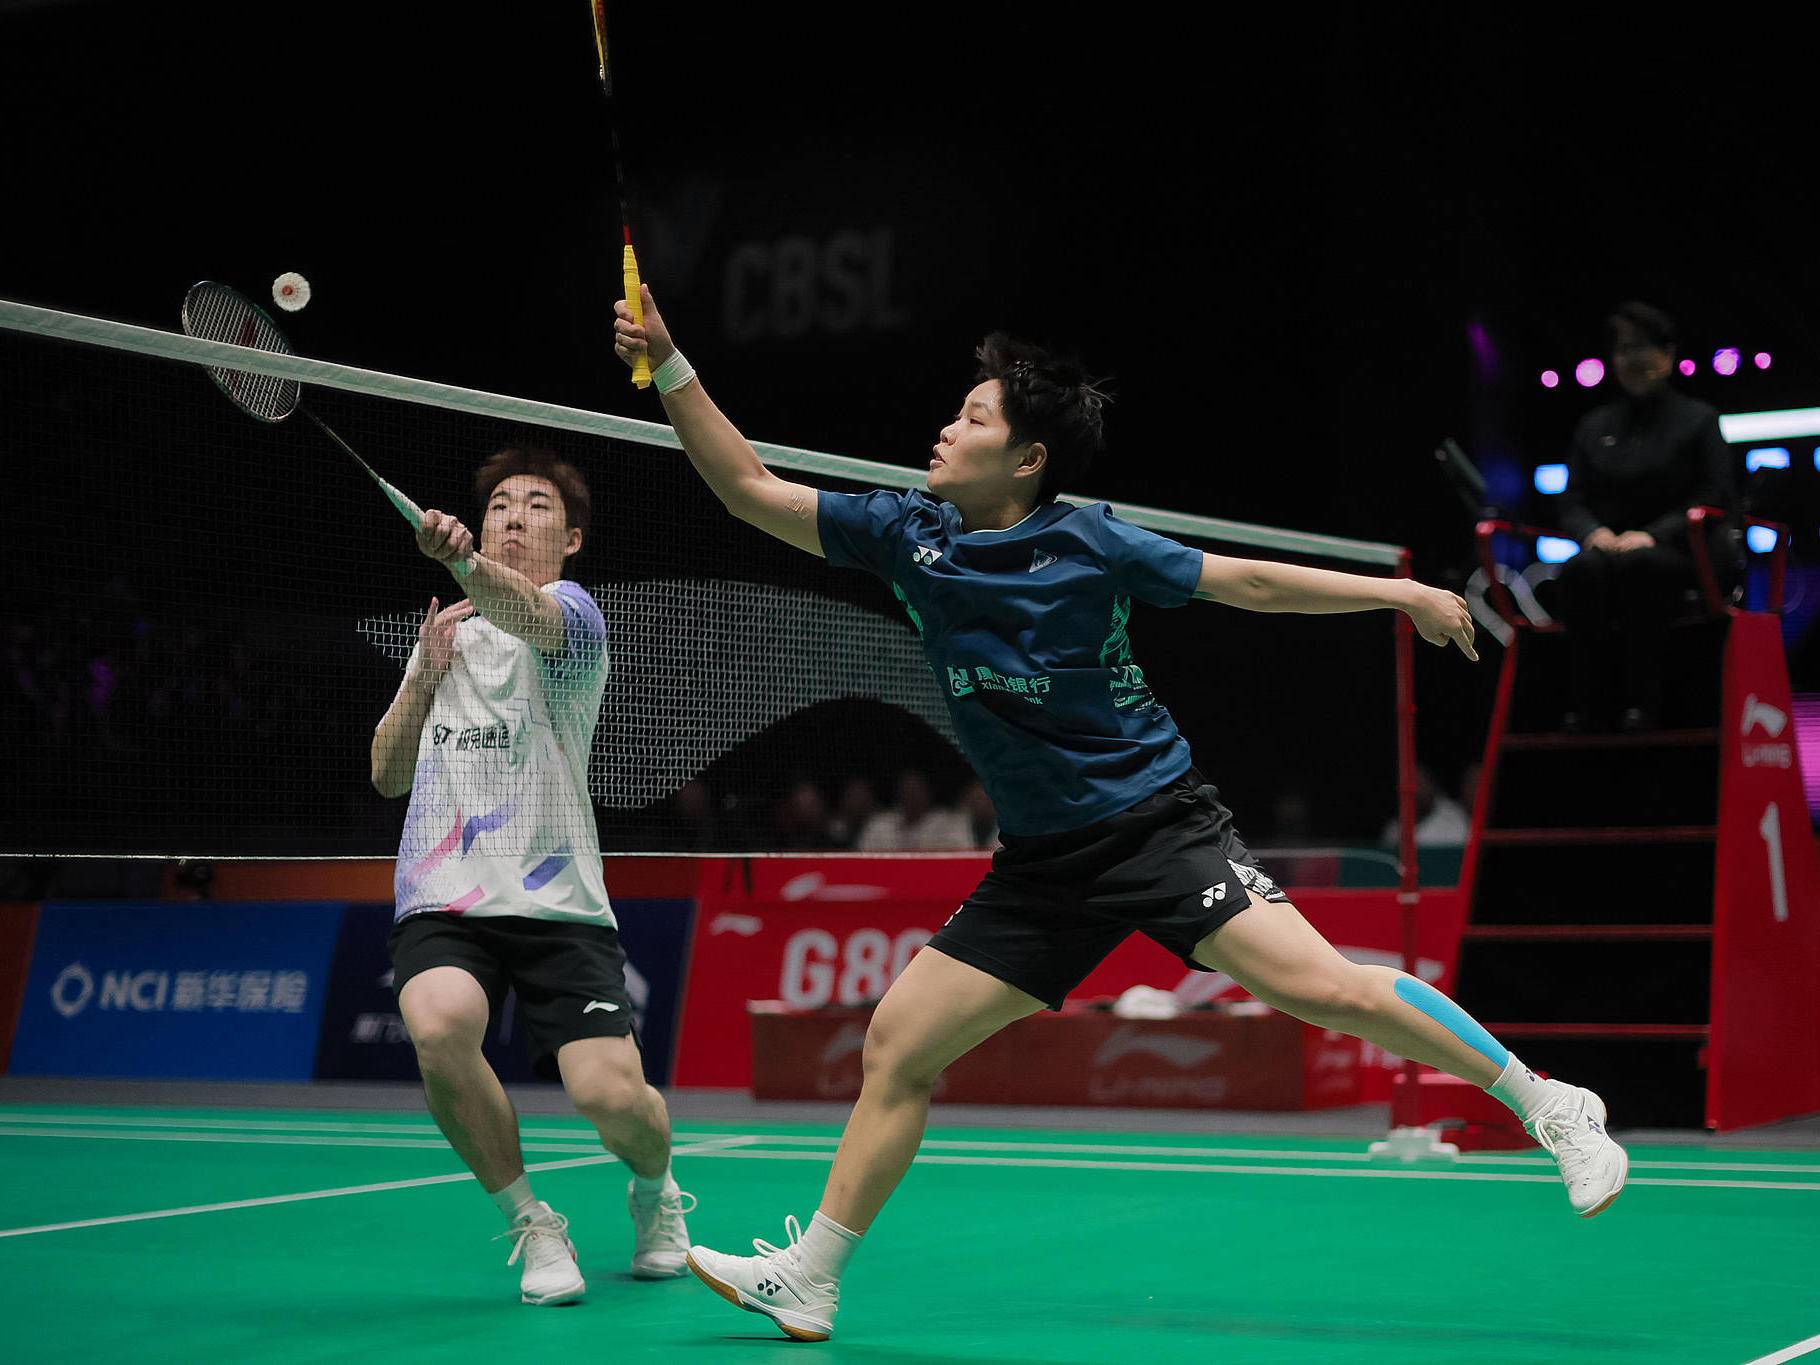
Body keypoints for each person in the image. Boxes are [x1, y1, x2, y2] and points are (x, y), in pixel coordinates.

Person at [614, 292, 1626, 1342]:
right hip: (1040, 865)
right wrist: (672, 363)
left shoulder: (1088, 540)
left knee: (1321, 987)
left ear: (1027, 460)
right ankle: (812, 1277)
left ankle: (1547, 1102)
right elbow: (747, 489)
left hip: (1154, 828)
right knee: (899, 1045)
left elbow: (1249, 585)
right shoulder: (905, 534)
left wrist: (1397, 596)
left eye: (972, 417)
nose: (945, 429)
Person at [370, 447, 692, 1305]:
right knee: (440, 1025)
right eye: (500, 505)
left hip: (558, 901)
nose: (514, 516)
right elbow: (387, 773)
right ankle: (531, 1219)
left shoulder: (575, 618)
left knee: (612, 1097)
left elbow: (531, 615)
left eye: (537, 505)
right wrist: (422, 677)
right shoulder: (442, 635)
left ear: (572, 537)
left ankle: (655, 1188)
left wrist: (465, 564)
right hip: (444, 893)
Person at [1554, 301, 1738, 732]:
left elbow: (1716, 494)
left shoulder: (1699, 419)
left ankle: (1643, 704)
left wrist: (1654, 534)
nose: (1632, 359)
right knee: (1580, 571)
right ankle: (1587, 705)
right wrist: (1593, 532)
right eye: (1623, 350)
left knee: (1641, 567)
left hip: (1680, 553)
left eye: (1641, 348)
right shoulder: (1594, 425)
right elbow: (1571, 500)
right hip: (1609, 550)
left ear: (1668, 354)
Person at [855, 767, 972, 850]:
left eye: (916, 790)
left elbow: (962, 855)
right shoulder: (879, 823)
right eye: (906, 789)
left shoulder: (949, 823)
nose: (910, 795)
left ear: (928, 792)